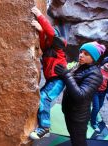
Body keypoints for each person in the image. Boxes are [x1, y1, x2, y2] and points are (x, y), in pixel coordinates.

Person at [54, 41, 106, 146]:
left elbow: (80, 96)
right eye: (81, 52)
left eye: (86, 54)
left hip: (78, 117)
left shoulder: (95, 74)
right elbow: (70, 81)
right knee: (73, 137)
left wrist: (66, 75)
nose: (81, 55)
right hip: (70, 111)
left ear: (94, 58)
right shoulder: (79, 66)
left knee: (79, 142)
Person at [29, 6, 67, 139]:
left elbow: (51, 33)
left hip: (58, 80)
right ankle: (42, 125)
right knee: (40, 97)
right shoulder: (49, 48)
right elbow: (44, 42)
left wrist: (39, 15)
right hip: (53, 80)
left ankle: (45, 128)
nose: (49, 39)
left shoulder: (59, 47)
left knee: (44, 98)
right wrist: (40, 31)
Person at [90, 56, 108, 132]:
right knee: (96, 107)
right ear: (104, 61)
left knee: (99, 107)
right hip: (95, 92)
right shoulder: (97, 69)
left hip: (103, 93)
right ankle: (93, 123)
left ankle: (92, 117)